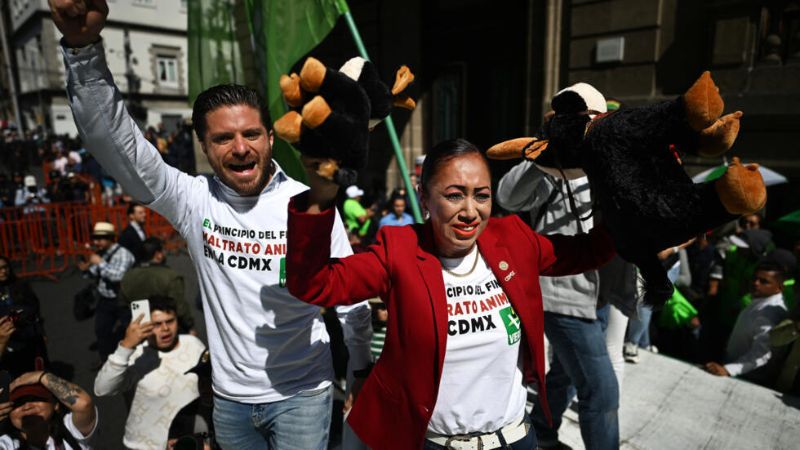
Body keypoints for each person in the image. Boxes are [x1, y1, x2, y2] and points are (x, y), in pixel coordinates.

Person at [51, 3, 372, 449]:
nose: (240, 148)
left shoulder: (309, 202)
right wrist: (82, 51)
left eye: (251, 134)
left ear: (271, 136)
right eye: (223, 138)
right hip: (230, 401)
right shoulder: (193, 199)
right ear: (203, 144)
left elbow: (350, 298)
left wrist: (359, 370)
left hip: (303, 395)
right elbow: (116, 146)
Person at [286, 139, 615, 450]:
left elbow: (591, 251)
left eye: (481, 195)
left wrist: (612, 173)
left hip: (515, 440)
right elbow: (314, 284)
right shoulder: (398, 249)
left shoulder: (513, 239)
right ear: (425, 198)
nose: (470, 211)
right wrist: (320, 196)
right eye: (455, 195)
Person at [496, 139, 621, 449]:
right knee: (601, 391)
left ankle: (542, 428)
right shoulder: (553, 171)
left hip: (603, 296)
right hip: (565, 294)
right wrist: (548, 148)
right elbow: (507, 196)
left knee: (565, 373)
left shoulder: (613, 163)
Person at [94, 296, 206, 450]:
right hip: (147, 446)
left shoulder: (192, 343)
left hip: (192, 440)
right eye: (157, 324)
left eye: (170, 321)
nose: (165, 328)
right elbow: (102, 389)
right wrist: (126, 345)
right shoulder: (134, 357)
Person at [704, 263, 789, 383]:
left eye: (764, 281)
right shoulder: (762, 299)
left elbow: (762, 353)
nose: (756, 283)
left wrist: (729, 370)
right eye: (755, 278)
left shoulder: (770, 313)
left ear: (780, 287)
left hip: (745, 377)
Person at [78, 221, 136, 364]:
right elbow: (94, 274)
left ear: (111, 238)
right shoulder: (100, 254)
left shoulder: (123, 254)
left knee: (129, 331)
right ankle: (105, 360)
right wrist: (86, 269)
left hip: (122, 300)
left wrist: (100, 263)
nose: (96, 242)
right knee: (101, 330)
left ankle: (131, 360)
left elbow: (118, 276)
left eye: (101, 238)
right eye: (95, 238)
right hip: (105, 299)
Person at [0, 371, 98, 449]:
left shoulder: (70, 430)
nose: (27, 407)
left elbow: (84, 404)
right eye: (17, 403)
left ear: (55, 404)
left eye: (34, 399)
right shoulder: (8, 444)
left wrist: (41, 376)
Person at [119, 237, 195, 334]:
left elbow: (122, 306)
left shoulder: (127, 276)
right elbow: (180, 308)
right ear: (158, 255)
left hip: (140, 330)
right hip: (167, 331)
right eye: (163, 251)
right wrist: (189, 326)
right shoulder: (170, 276)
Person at [0, 256, 48, 376]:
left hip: (29, 336)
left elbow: (35, 308)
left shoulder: (21, 285)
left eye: (5, 267)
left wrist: (42, 331)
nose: (3, 271)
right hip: (8, 343)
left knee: (39, 372)